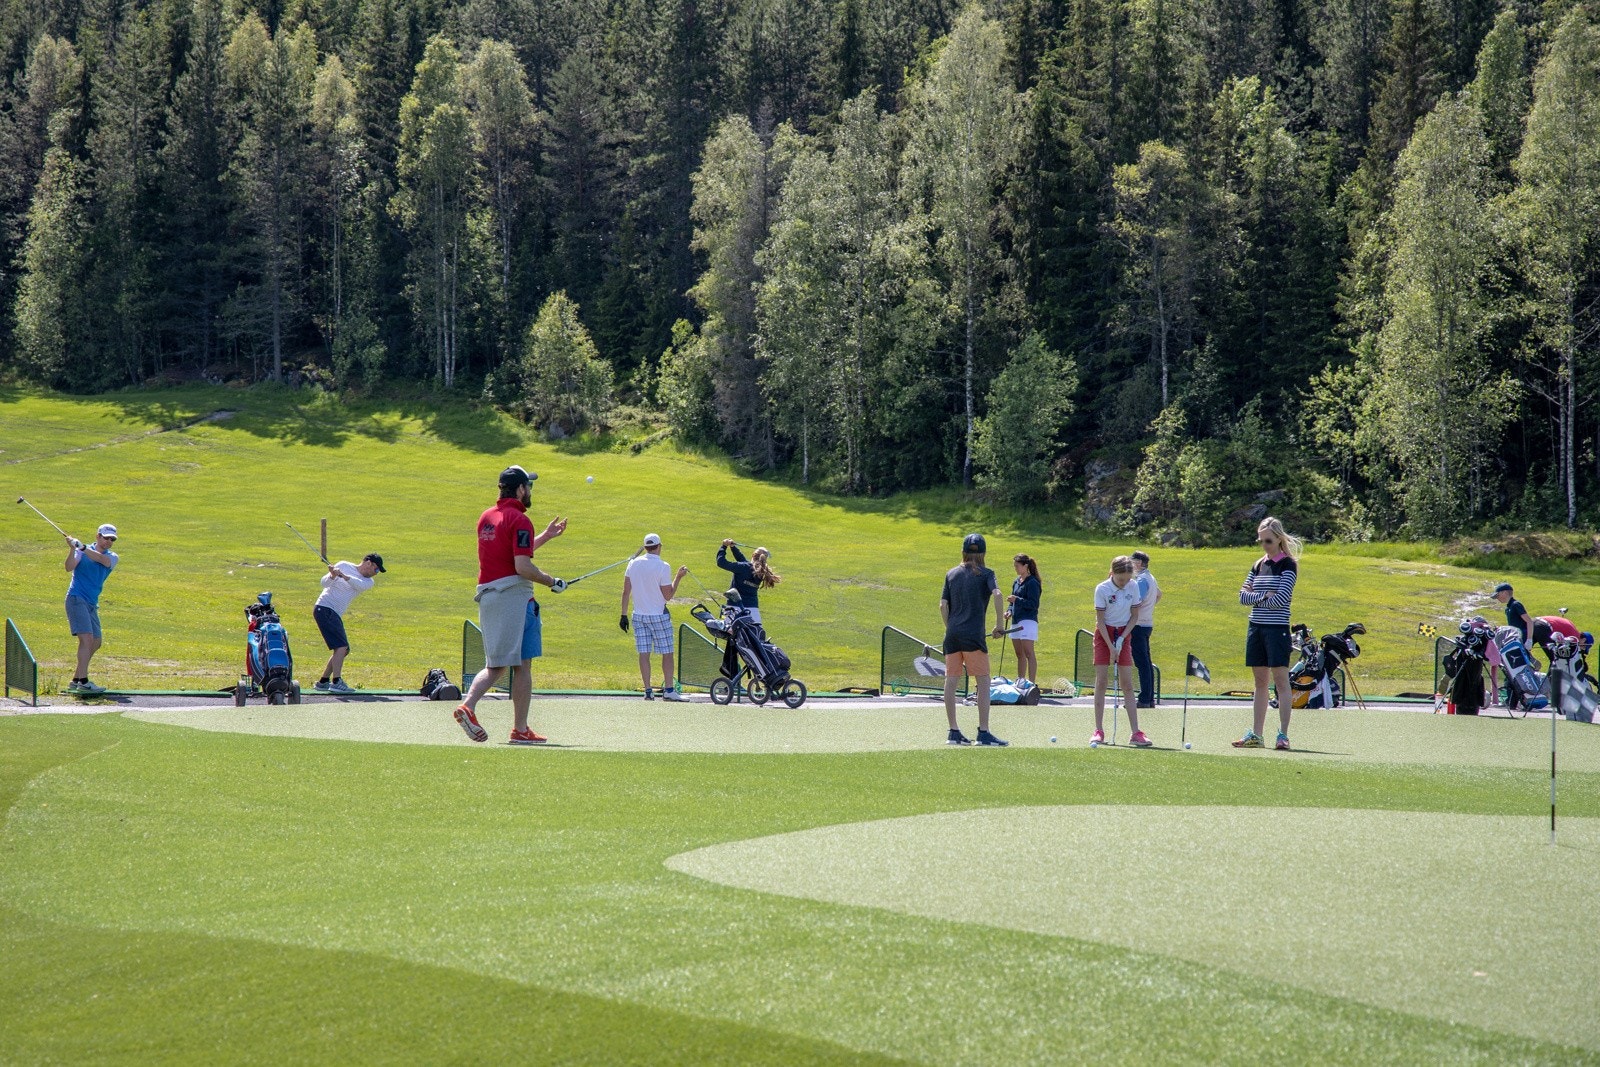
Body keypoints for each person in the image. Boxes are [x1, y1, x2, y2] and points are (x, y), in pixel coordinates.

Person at [454, 465, 567, 745]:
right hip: (511, 597)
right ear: (520, 489)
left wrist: (545, 537)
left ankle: (520, 729)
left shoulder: (487, 517)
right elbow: (523, 566)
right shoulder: (520, 520)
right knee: (498, 665)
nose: (530, 491)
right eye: (529, 486)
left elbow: (511, 552)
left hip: (502, 596)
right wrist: (552, 581)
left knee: (523, 664)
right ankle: (468, 706)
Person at [1234, 516, 1301, 751]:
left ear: (1279, 539)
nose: (1264, 545)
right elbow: (1242, 596)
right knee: (1260, 682)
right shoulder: (1258, 564)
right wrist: (1263, 597)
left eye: (1268, 541)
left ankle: (1283, 734)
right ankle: (1257, 734)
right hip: (1256, 628)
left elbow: (1282, 598)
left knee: (1281, 682)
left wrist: (1259, 598)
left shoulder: (1288, 565)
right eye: (1261, 541)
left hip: (1277, 629)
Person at [941, 533, 1008, 746]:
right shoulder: (987, 573)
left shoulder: (951, 573)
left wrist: (951, 628)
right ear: (983, 553)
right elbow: (997, 595)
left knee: (951, 681)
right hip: (973, 636)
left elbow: (943, 605)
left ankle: (953, 731)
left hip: (952, 635)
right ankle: (984, 732)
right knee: (983, 681)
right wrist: (999, 625)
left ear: (963, 551)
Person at [1091, 555, 1152, 747]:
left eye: (1127, 579)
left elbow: (1134, 616)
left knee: (1127, 683)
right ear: (1112, 574)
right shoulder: (1102, 589)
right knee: (1101, 681)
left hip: (1124, 633)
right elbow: (1100, 621)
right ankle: (1098, 730)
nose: (1124, 583)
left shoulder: (1133, 586)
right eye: (1120, 580)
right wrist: (1111, 646)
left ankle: (1136, 732)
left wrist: (1123, 638)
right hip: (1104, 634)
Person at [621, 533, 689, 700]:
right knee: (667, 653)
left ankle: (648, 690)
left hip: (639, 615)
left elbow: (626, 592)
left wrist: (623, 615)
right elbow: (668, 595)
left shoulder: (633, 564)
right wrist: (678, 578)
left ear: (645, 547)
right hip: (659, 615)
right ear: (659, 546)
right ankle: (669, 690)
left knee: (644, 653)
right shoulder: (663, 566)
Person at [312, 552, 386, 693]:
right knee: (341, 646)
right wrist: (332, 575)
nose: (376, 573)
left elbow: (357, 585)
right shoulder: (344, 565)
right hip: (324, 608)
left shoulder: (368, 582)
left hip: (333, 612)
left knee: (344, 649)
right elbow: (324, 583)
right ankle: (336, 681)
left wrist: (343, 576)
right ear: (368, 563)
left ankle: (323, 681)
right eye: (376, 569)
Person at [63, 523, 119, 694]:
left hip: (91, 603)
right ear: (98, 536)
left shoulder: (113, 557)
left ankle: (75, 679)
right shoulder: (81, 551)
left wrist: (82, 547)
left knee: (96, 642)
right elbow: (68, 567)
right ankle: (84, 681)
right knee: (86, 639)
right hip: (76, 598)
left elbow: (101, 560)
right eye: (106, 538)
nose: (109, 541)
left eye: (112, 539)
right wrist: (73, 549)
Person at [716, 540, 781, 624]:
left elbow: (721, 562)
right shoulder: (761, 571)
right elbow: (743, 561)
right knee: (754, 633)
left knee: (729, 632)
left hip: (734, 607)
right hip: (753, 609)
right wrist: (733, 548)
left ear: (753, 555)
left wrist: (723, 546)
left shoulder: (743, 567)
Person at [1129, 550, 1161, 708]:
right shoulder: (1151, 578)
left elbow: (1137, 601)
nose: (1131, 564)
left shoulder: (1141, 580)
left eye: (1133, 561)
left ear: (1140, 563)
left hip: (1138, 624)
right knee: (1146, 663)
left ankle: (1144, 698)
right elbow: (1159, 595)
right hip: (1147, 623)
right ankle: (1149, 697)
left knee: (1142, 663)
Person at [1005, 554, 1042, 686]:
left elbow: (1033, 604)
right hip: (1016, 620)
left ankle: (1031, 683)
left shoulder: (1032, 582)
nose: (1015, 568)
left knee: (1028, 652)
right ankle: (1020, 681)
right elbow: (1012, 601)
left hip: (1028, 620)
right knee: (1019, 653)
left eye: (1017, 566)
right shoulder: (1016, 581)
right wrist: (1009, 610)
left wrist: (1017, 600)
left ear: (1025, 566)